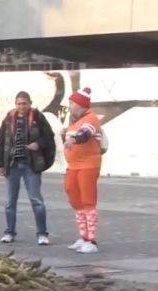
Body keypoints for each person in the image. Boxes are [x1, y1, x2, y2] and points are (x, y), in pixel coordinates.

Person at [0, 91, 56, 246]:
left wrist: (38, 144)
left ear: (30, 103)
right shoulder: (9, 118)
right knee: (10, 201)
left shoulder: (38, 117)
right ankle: (9, 232)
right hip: (12, 164)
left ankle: (42, 234)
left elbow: (49, 136)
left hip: (30, 164)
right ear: (16, 104)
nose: (21, 107)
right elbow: (0, 140)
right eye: (19, 104)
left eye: (24, 103)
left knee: (36, 200)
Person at [63, 87, 103, 254]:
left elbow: (86, 133)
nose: (70, 106)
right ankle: (83, 236)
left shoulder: (91, 118)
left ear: (80, 104)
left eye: (72, 103)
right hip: (73, 165)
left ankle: (91, 240)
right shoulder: (74, 121)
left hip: (88, 165)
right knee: (74, 197)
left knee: (88, 201)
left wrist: (74, 138)